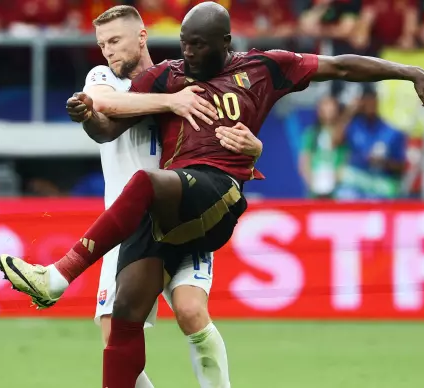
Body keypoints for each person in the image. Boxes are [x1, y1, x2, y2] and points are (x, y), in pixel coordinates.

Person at [0, 2, 424, 386]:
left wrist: (411, 72)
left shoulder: (265, 67)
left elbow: (342, 66)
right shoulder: (166, 78)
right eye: (185, 43)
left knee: (165, 239)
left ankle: (58, 275)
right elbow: (107, 123)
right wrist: (91, 116)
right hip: (157, 212)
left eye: (197, 44)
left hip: (212, 190)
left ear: (225, 41)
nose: (188, 53)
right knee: (125, 318)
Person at [71, 5, 263, 387]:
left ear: (142, 37)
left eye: (114, 41)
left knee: (192, 311)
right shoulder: (103, 77)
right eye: (102, 44)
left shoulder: (182, 77)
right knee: (114, 332)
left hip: (182, 215)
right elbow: (104, 116)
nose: (107, 51)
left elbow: (223, 139)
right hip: (125, 228)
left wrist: (255, 148)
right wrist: (170, 103)